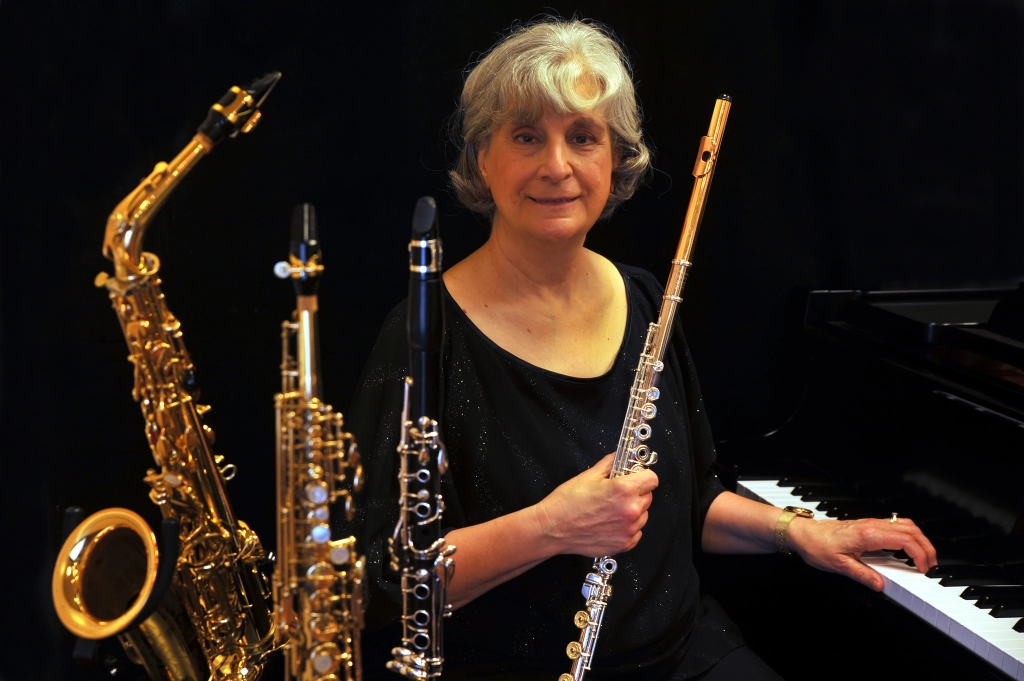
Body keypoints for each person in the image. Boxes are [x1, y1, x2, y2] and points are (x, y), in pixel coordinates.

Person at [347, 18, 938, 680]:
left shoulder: (645, 298)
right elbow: (379, 582)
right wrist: (551, 526)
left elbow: (694, 500)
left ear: (616, 160)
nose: (557, 166)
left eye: (583, 137)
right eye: (525, 136)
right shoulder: (425, 334)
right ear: (482, 157)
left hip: (683, 654)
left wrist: (799, 532)